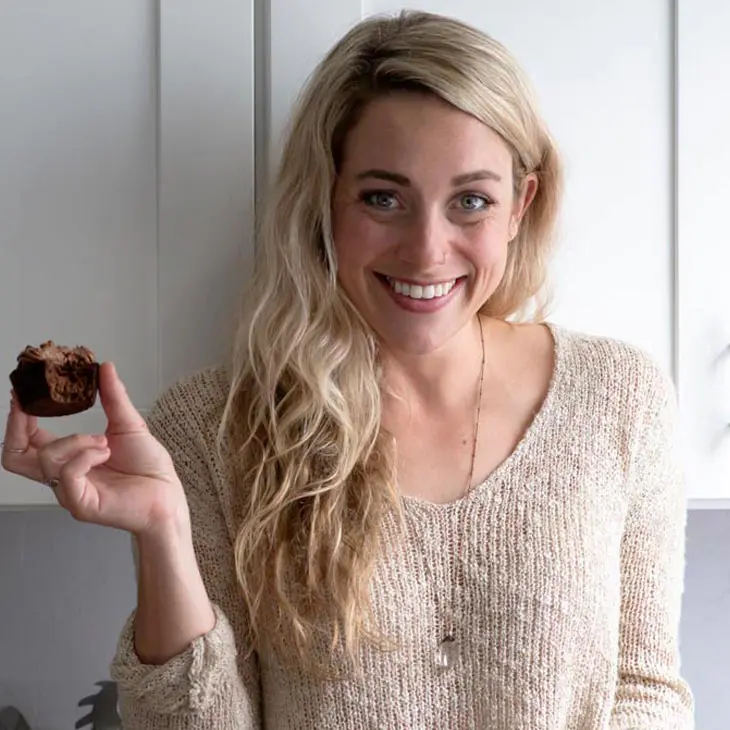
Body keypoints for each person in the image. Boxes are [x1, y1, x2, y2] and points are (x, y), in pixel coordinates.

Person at [1, 9, 694, 729]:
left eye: (471, 201)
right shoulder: (211, 428)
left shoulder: (621, 398)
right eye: (382, 198)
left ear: (521, 204)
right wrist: (161, 530)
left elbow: (645, 691)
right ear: (324, 200)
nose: (427, 251)